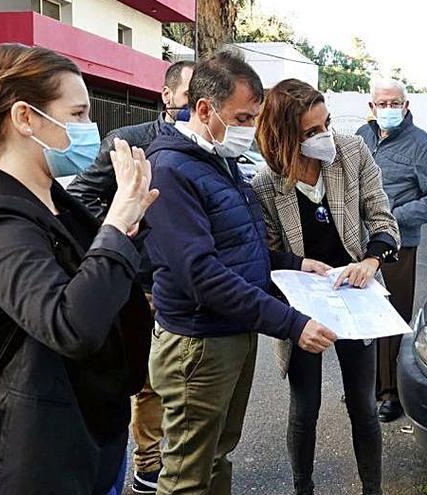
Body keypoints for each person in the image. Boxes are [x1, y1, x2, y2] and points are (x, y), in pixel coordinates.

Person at [0, 43, 158, 494]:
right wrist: (118, 222)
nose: (89, 130)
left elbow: (98, 286)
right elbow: (69, 324)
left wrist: (130, 225)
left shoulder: (57, 201)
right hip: (42, 459)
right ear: (25, 118)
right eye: (78, 114)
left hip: (93, 437)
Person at [143, 49, 337, 495]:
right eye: (244, 117)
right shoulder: (172, 170)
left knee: (218, 454)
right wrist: (291, 324)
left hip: (230, 333)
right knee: (188, 473)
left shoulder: (217, 160)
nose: (250, 129)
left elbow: (240, 247)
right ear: (206, 109)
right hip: (198, 343)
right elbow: (204, 275)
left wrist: (292, 264)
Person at [252, 79, 400, 495]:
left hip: (357, 295)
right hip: (303, 306)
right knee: (305, 408)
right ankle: (303, 488)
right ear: (285, 137)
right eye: (311, 132)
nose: (325, 137)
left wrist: (371, 261)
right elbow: (266, 253)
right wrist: (300, 264)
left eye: (327, 124)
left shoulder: (352, 154)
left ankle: (373, 488)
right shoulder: (266, 184)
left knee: (362, 405)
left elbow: (383, 219)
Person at [67, 59, 193, 495]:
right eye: (189, 96)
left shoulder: (205, 145)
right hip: (138, 284)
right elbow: (81, 196)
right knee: (141, 382)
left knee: (172, 382)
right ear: (167, 96)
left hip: (183, 285)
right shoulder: (130, 140)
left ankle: (162, 462)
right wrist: (126, 231)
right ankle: (146, 465)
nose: (195, 105)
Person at [356, 78, 427, 423]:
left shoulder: (421, 145)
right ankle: (366, 385)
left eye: (394, 103)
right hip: (358, 241)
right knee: (361, 315)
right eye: (381, 104)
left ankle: (390, 393)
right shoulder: (362, 137)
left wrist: (395, 217)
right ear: (371, 107)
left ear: (406, 106)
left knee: (391, 317)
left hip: (398, 245)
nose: (388, 109)